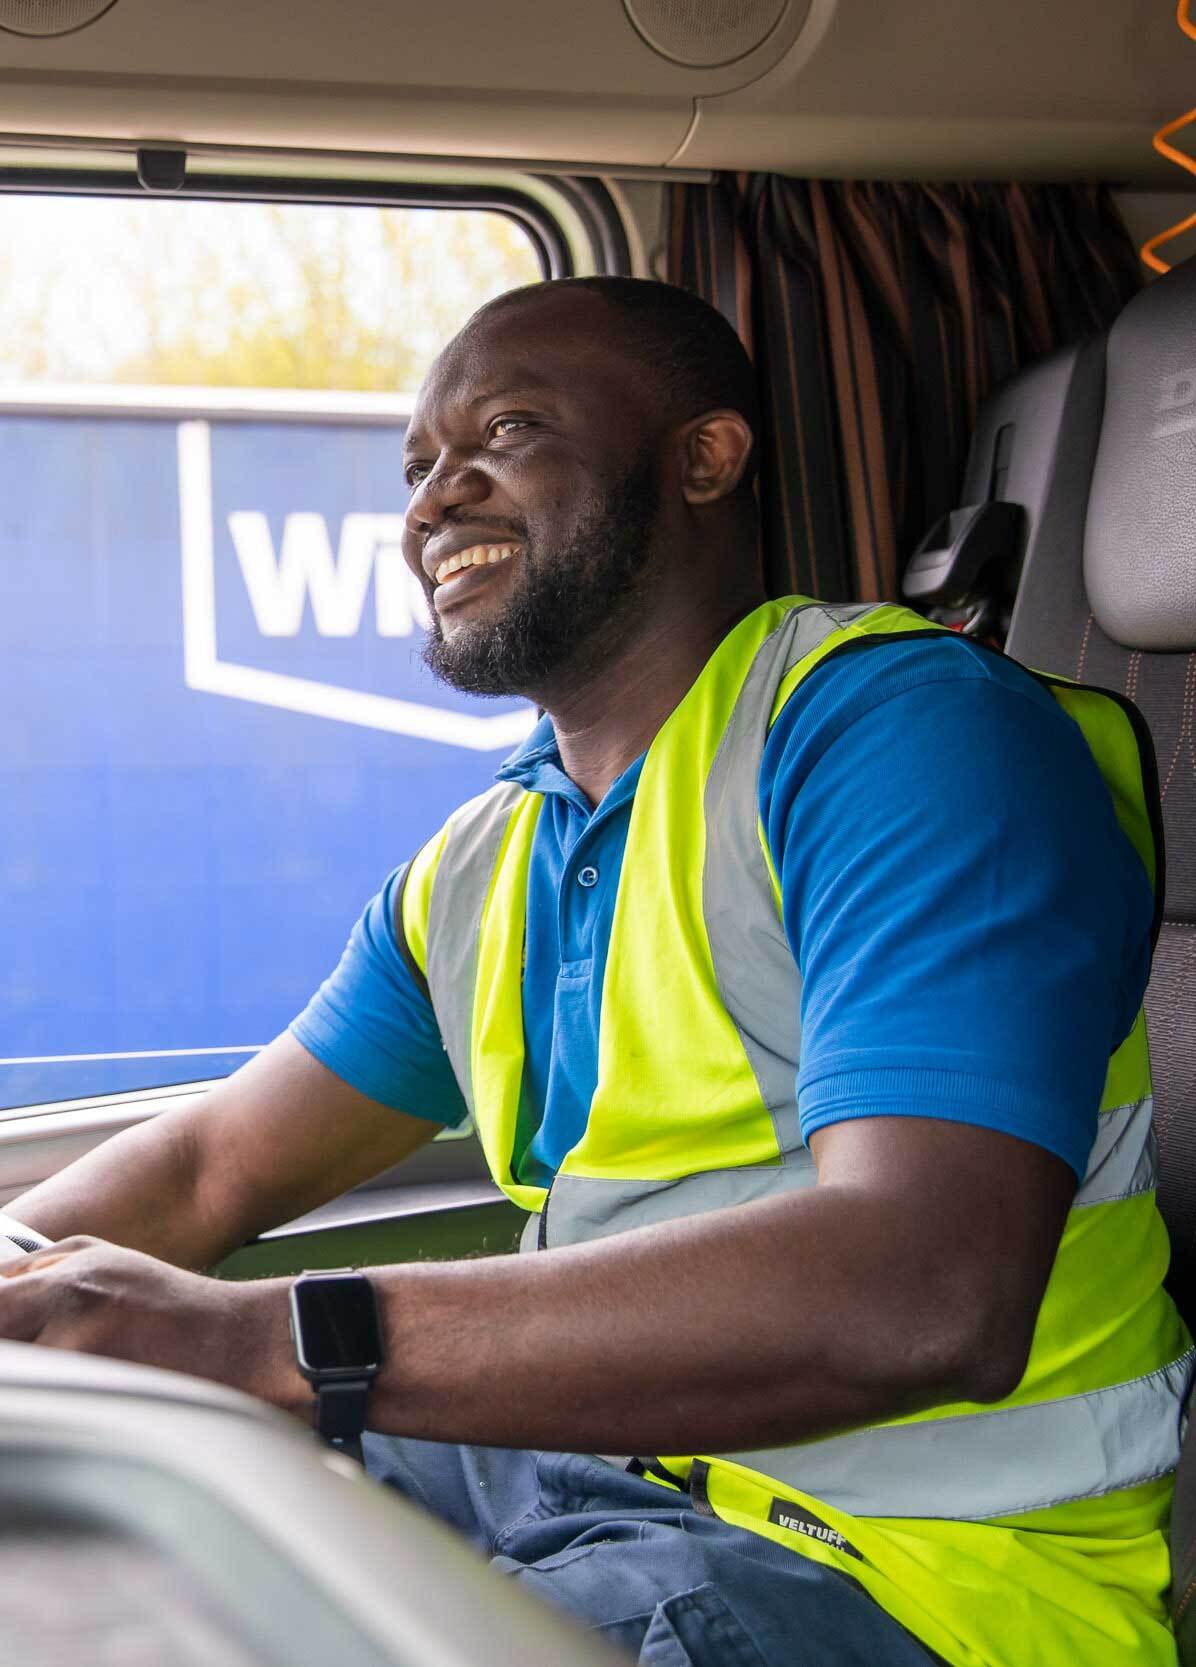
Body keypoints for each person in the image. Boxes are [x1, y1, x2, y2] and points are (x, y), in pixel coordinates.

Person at [0, 277, 1188, 1667]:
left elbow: (925, 1293)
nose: (437, 500)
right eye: (420, 466)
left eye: (506, 430)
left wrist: (264, 1338)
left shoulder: (900, 737)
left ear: (704, 456)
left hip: (918, 1572)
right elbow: (213, 1166)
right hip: (594, 1477)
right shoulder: (484, 860)